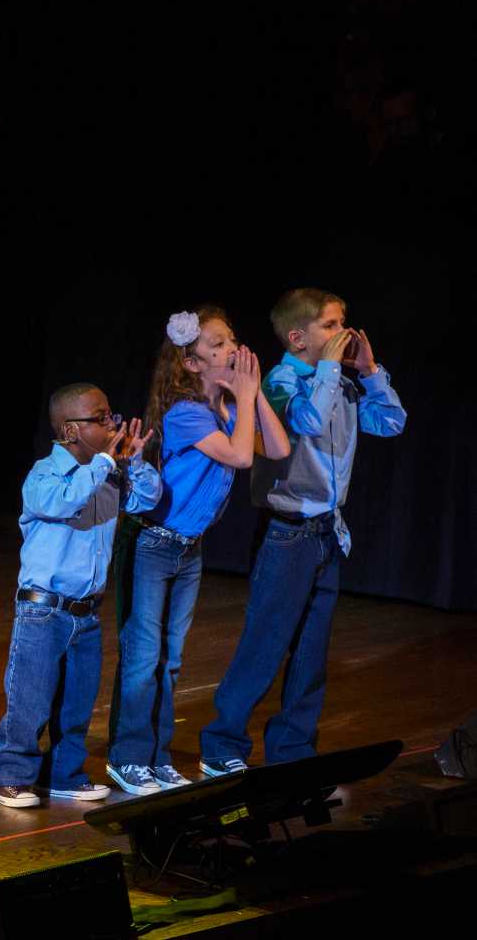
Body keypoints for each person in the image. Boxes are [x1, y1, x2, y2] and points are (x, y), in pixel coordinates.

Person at [199, 289, 406, 776]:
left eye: (343, 322)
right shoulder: (280, 382)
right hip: (288, 534)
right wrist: (331, 370)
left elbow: (391, 422)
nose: (343, 333)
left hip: (326, 532)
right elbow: (309, 422)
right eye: (331, 325)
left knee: (311, 652)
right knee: (265, 644)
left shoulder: (342, 384)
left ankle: (293, 751)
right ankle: (222, 744)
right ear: (298, 338)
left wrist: (370, 372)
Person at [105, 308, 291, 796]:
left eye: (231, 339)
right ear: (191, 363)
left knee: (170, 660)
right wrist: (244, 396)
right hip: (152, 544)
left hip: (188, 550)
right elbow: (242, 456)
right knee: (143, 657)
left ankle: (157, 756)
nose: (232, 348)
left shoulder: (224, 409)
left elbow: (277, 449)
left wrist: (252, 393)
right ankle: (128, 757)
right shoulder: (186, 413)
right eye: (218, 344)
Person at [0, 384, 161, 808]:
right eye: (100, 419)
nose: (112, 425)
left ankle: (64, 775)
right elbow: (63, 502)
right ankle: (9, 775)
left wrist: (135, 463)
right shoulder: (45, 474)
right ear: (70, 430)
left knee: (77, 704)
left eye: (110, 415)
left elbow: (148, 499)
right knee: (30, 700)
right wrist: (104, 464)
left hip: (87, 612)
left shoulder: (107, 474)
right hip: (43, 610)